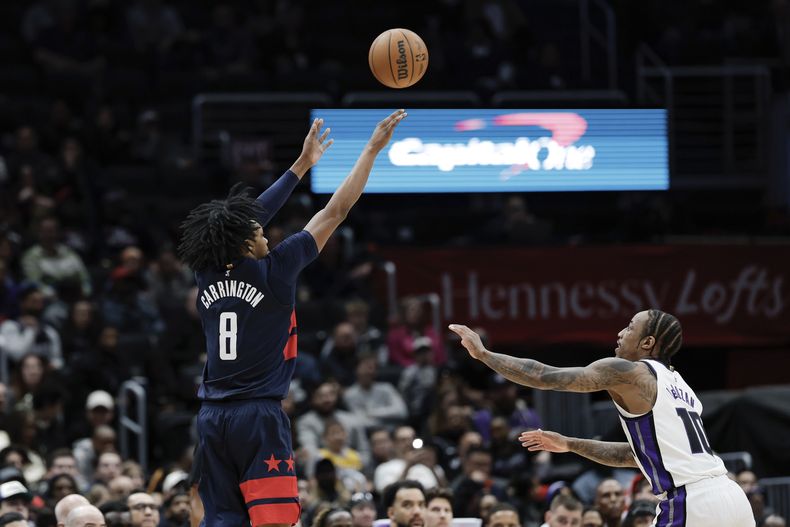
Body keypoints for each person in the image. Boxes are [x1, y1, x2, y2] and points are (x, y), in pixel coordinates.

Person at [178, 110, 407, 527]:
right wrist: (371, 151)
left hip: (212, 418)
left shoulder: (206, 268)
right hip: (258, 417)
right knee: (274, 521)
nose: (267, 232)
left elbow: (242, 220)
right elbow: (336, 210)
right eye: (260, 232)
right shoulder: (275, 272)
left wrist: (301, 165)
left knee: (223, 520)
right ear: (246, 242)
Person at [449, 310, 755, 527]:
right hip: (732, 496)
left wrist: (485, 355)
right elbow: (638, 456)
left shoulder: (630, 372)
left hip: (692, 501)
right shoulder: (681, 385)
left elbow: (546, 375)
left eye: (630, 327)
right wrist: (569, 444)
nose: (621, 333)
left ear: (647, 343)